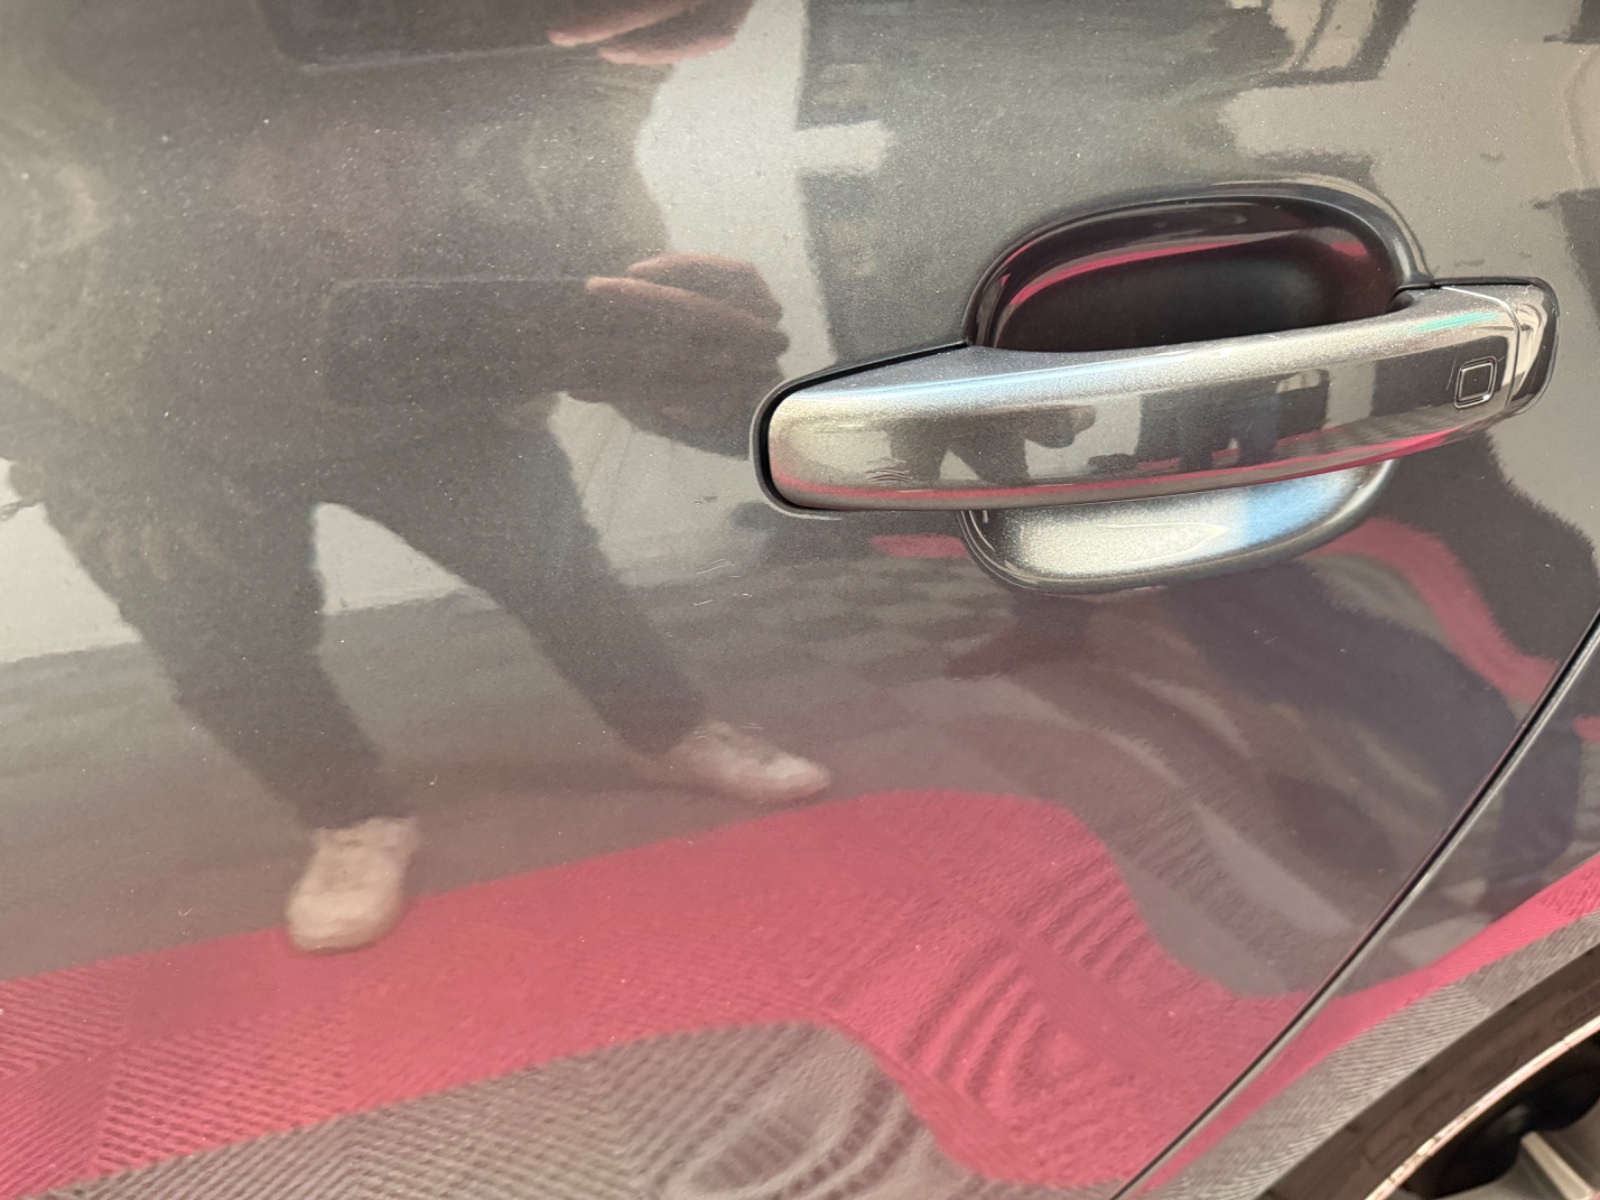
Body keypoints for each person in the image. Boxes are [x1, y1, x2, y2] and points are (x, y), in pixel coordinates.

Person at [0, 0, 826, 954]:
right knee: (223, 647)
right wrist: (82, 454)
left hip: (423, 405)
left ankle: (671, 731)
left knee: (557, 572)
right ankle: (350, 819)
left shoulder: (546, 110)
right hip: (149, 442)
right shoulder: (52, 76)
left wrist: (690, 380)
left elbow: (634, 324)